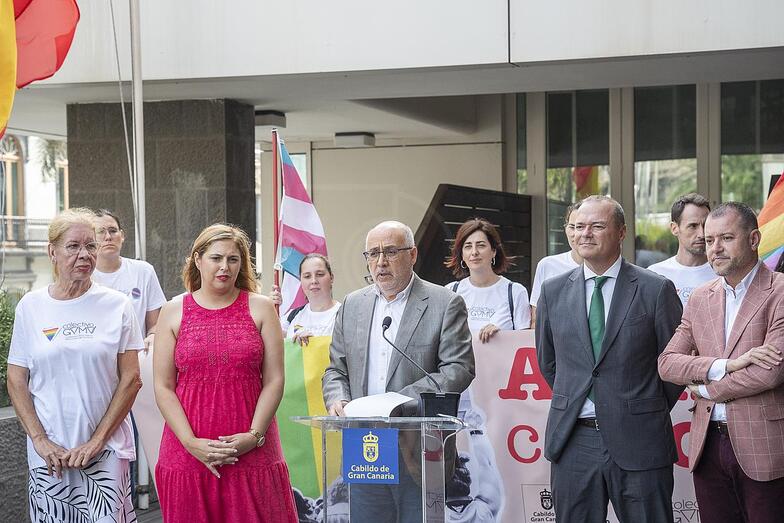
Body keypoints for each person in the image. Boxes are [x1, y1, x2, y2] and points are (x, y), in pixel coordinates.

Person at [535, 195, 684, 523]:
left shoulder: (655, 289)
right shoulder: (552, 291)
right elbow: (549, 362)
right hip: (573, 441)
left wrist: (641, 406)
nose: (585, 233)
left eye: (597, 226)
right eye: (578, 226)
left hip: (640, 439)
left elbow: (675, 363)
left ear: (621, 232)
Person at [322, 220, 475, 522]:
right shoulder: (352, 304)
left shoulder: (445, 303)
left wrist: (396, 402)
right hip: (364, 446)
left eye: (391, 252)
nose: (380, 262)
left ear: (412, 255)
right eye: (373, 253)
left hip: (418, 447)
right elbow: (336, 369)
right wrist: (337, 397)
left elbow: (459, 368)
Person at [153, 224, 297, 522]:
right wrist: (191, 442)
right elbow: (163, 386)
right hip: (188, 453)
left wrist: (254, 436)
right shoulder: (173, 310)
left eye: (233, 259)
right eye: (216, 258)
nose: (225, 267)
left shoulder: (261, 308)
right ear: (197, 259)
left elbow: (274, 380)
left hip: (253, 450)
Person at [7, 208, 143, 522]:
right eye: (73, 246)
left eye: (90, 246)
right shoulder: (31, 306)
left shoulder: (117, 305)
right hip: (49, 455)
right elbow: (16, 379)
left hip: (105, 450)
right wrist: (40, 440)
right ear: (52, 251)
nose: (84, 254)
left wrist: (97, 441)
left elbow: (131, 379)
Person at [658, 202, 784, 523]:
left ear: (754, 239)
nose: (715, 248)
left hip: (765, 446)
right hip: (708, 445)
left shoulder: (780, 291)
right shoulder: (701, 297)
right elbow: (668, 363)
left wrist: (706, 390)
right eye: (710, 240)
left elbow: (770, 372)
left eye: (726, 238)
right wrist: (725, 365)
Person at [444, 217, 531, 343]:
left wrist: (503, 335)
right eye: (468, 246)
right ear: (462, 254)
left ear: (494, 251)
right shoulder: (450, 291)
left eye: (481, 245)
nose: (474, 252)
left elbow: (525, 343)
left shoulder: (515, 292)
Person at [92, 208, 166, 345]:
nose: (108, 237)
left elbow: (155, 325)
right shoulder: (84, 277)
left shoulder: (144, 271)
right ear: (90, 239)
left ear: (122, 236)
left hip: (136, 354)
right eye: (101, 232)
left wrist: (152, 336)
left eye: (113, 231)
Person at [647, 193, 715, 306]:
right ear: (674, 228)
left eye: (705, 225)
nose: (702, 234)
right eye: (693, 226)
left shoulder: (723, 272)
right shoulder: (655, 274)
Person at [529, 202, 582, 323]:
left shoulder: (607, 270)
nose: (576, 234)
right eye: (572, 227)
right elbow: (536, 321)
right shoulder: (547, 265)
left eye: (580, 227)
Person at [272, 253, 341, 346]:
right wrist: (269, 309)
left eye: (320, 274)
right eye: (307, 276)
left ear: (331, 278)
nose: (314, 281)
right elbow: (270, 340)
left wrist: (313, 344)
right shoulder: (291, 316)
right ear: (300, 280)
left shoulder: (344, 315)